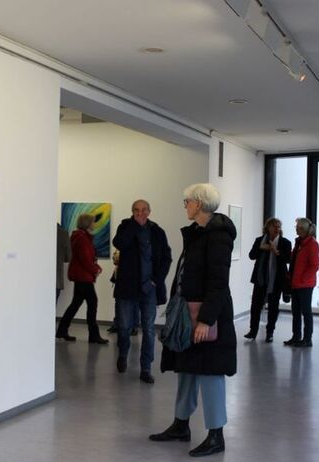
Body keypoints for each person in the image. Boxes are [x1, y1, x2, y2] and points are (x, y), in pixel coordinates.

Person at [150, 183, 236, 457]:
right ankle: (180, 425)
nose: (185, 205)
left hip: (207, 315)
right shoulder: (197, 234)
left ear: (199, 203)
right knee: (186, 369)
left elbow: (219, 282)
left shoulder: (218, 235)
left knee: (210, 373)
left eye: (186, 201)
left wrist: (206, 321)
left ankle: (216, 435)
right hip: (188, 314)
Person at [113, 199, 172, 384]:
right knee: (124, 326)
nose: (140, 213)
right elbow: (119, 243)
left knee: (148, 329)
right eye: (136, 210)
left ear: (149, 211)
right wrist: (133, 226)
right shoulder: (125, 227)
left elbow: (166, 258)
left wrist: (157, 280)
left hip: (149, 288)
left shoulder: (157, 231)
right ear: (132, 212)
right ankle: (123, 354)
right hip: (127, 288)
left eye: (143, 210)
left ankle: (146, 368)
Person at [55, 213, 108, 344]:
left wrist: (95, 267)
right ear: (88, 224)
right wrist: (96, 269)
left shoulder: (80, 237)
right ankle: (94, 335)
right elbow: (85, 259)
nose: (94, 224)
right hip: (83, 277)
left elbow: (86, 258)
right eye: (92, 222)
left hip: (80, 276)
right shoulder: (82, 239)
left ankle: (62, 330)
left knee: (76, 303)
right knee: (92, 303)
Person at [243, 217, 292, 342]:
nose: (277, 229)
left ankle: (270, 332)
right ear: (268, 228)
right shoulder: (260, 241)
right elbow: (251, 256)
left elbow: (288, 259)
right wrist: (261, 248)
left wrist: (276, 251)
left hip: (276, 281)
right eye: (274, 226)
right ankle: (252, 331)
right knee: (255, 306)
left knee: (273, 307)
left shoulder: (285, 243)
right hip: (260, 280)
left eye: (279, 227)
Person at [284, 217, 319, 348]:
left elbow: (314, 266)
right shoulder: (299, 244)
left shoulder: (312, 244)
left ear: (305, 229)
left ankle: (307, 339)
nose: (296, 229)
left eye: (299, 228)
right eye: (296, 227)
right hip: (296, 283)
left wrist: (303, 278)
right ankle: (296, 336)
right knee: (296, 312)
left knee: (306, 312)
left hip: (305, 285)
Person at [56, 223, 71, 302]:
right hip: (56, 278)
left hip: (37, 279)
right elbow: (68, 257)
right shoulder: (63, 233)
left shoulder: (38, 231)